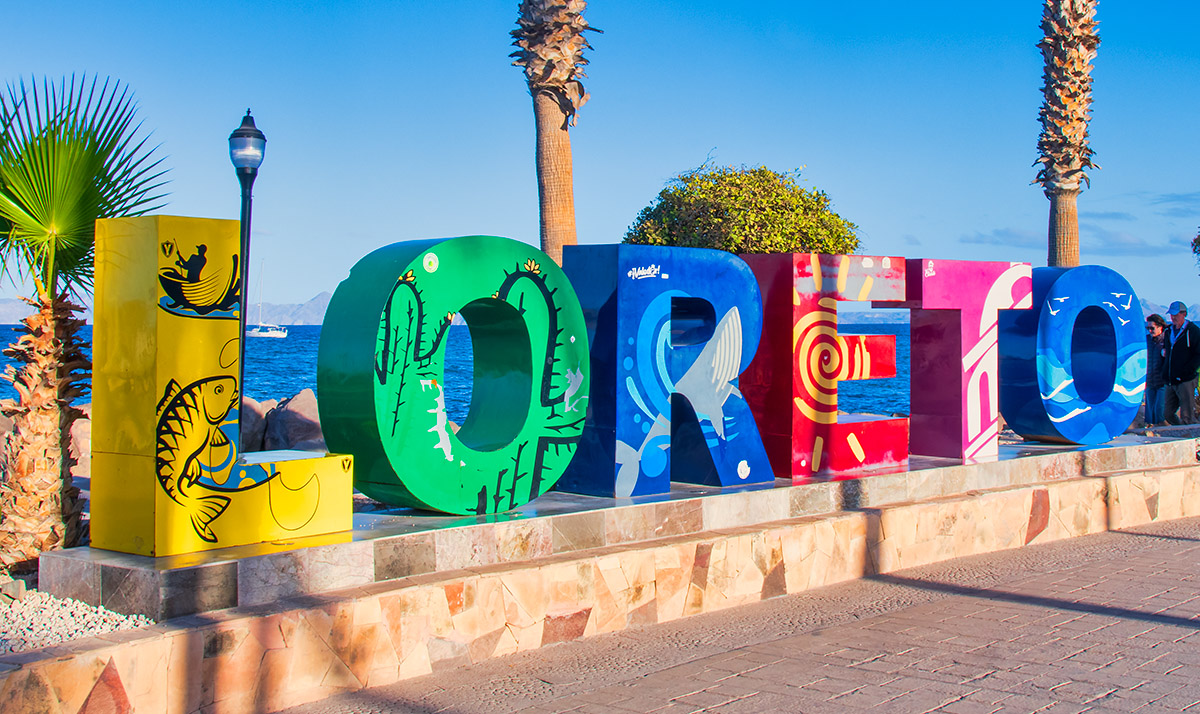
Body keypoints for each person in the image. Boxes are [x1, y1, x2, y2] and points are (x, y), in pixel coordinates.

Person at [1162, 301, 1200, 425]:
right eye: (1171, 315)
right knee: (1167, 413)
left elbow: (1198, 354)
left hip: (1186, 379)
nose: (1173, 317)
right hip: (1170, 378)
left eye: (1176, 315)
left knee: (1187, 414)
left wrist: (1188, 370)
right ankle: (1179, 431)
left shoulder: (1193, 331)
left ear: (1184, 314)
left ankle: (1191, 436)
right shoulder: (1168, 332)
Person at [1144, 313, 1168, 425]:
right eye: (1148, 328)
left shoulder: (1166, 341)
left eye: (1152, 328)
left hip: (1162, 381)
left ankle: (1161, 430)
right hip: (1149, 380)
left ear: (1160, 327)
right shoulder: (1147, 341)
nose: (1150, 331)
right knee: (1149, 412)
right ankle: (1150, 431)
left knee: (1159, 410)